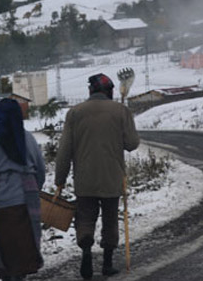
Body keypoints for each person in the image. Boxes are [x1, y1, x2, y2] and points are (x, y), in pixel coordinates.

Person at [55, 73, 140, 280]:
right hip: (112, 177)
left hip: (85, 179)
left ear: (90, 91)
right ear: (110, 91)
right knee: (110, 219)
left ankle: (86, 251)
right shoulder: (121, 111)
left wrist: (60, 180)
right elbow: (132, 144)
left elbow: (64, 150)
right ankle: (107, 264)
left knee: (85, 217)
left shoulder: (74, 113)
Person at [0, 98, 46, 281]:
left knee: (4, 245)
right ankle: (20, 274)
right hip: (26, 199)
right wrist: (35, 188)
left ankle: (8, 275)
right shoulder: (27, 137)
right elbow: (40, 168)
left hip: (0, 201)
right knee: (23, 244)